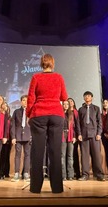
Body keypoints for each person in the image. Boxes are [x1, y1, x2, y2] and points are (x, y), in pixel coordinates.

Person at [26, 53, 68, 193]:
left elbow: (31, 98)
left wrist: (28, 115)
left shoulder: (36, 77)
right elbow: (64, 97)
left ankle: (35, 188)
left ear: (41, 64)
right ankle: (57, 188)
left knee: (38, 152)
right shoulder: (59, 77)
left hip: (39, 115)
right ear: (52, 63)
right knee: (55, 152)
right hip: (56, 114)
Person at [76, 91, 105, 182]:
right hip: (84, 135)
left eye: (88, 96)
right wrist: (79, 134)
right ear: (84, 98)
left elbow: (99, 122)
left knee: (96, 155)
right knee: (84, 156)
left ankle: (99, 174)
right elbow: (78, 123)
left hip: (94, 135)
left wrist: (99, 134)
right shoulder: (81, 109)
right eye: (85, 96)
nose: (87, 97)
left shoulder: (96, 108)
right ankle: (85, 174)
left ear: (92, 97)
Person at [11, 95, 31, 182]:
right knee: (17, 155)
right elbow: (13, 126)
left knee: (27, 155)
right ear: (21, 102)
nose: (25, 102)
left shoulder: (31, 111)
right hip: (18, 136)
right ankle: (16, 173)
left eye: (27, 100)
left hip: (28, 136)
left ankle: (26, 173)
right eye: (23, 100)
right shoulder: (16, 112)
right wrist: (13, 137)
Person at [61, 100, 76, 181]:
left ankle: (70, 175)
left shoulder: (72, 114)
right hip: (62, 135)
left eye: (67, 104)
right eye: (64, 104)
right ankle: (63, 175)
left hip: (70, 136)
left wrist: (74, 136)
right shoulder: (59, 114)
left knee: (70, 156)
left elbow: (75, 127)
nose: (66, 105)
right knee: (62, 156)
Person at [68, 97, 81, 180]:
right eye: (68, 101)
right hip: (66, 135)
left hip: (74, 136)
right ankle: (69, 173)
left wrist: (76, 136)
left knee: (74, 154)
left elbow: (77, 125)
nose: (70, 102)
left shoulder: (76, 112)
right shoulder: (65, 112)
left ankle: (77, 172)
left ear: (73, 103)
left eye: (71, 101)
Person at [0, 101, 12, 179]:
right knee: (1, 156)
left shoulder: (10, 118)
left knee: (6, 156)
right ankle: (0, 172)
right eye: (4, 105)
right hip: (1, 138)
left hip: (8, 139)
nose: (5, 107)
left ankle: (6, 172)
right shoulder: (0, 116)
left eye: (6, 106)